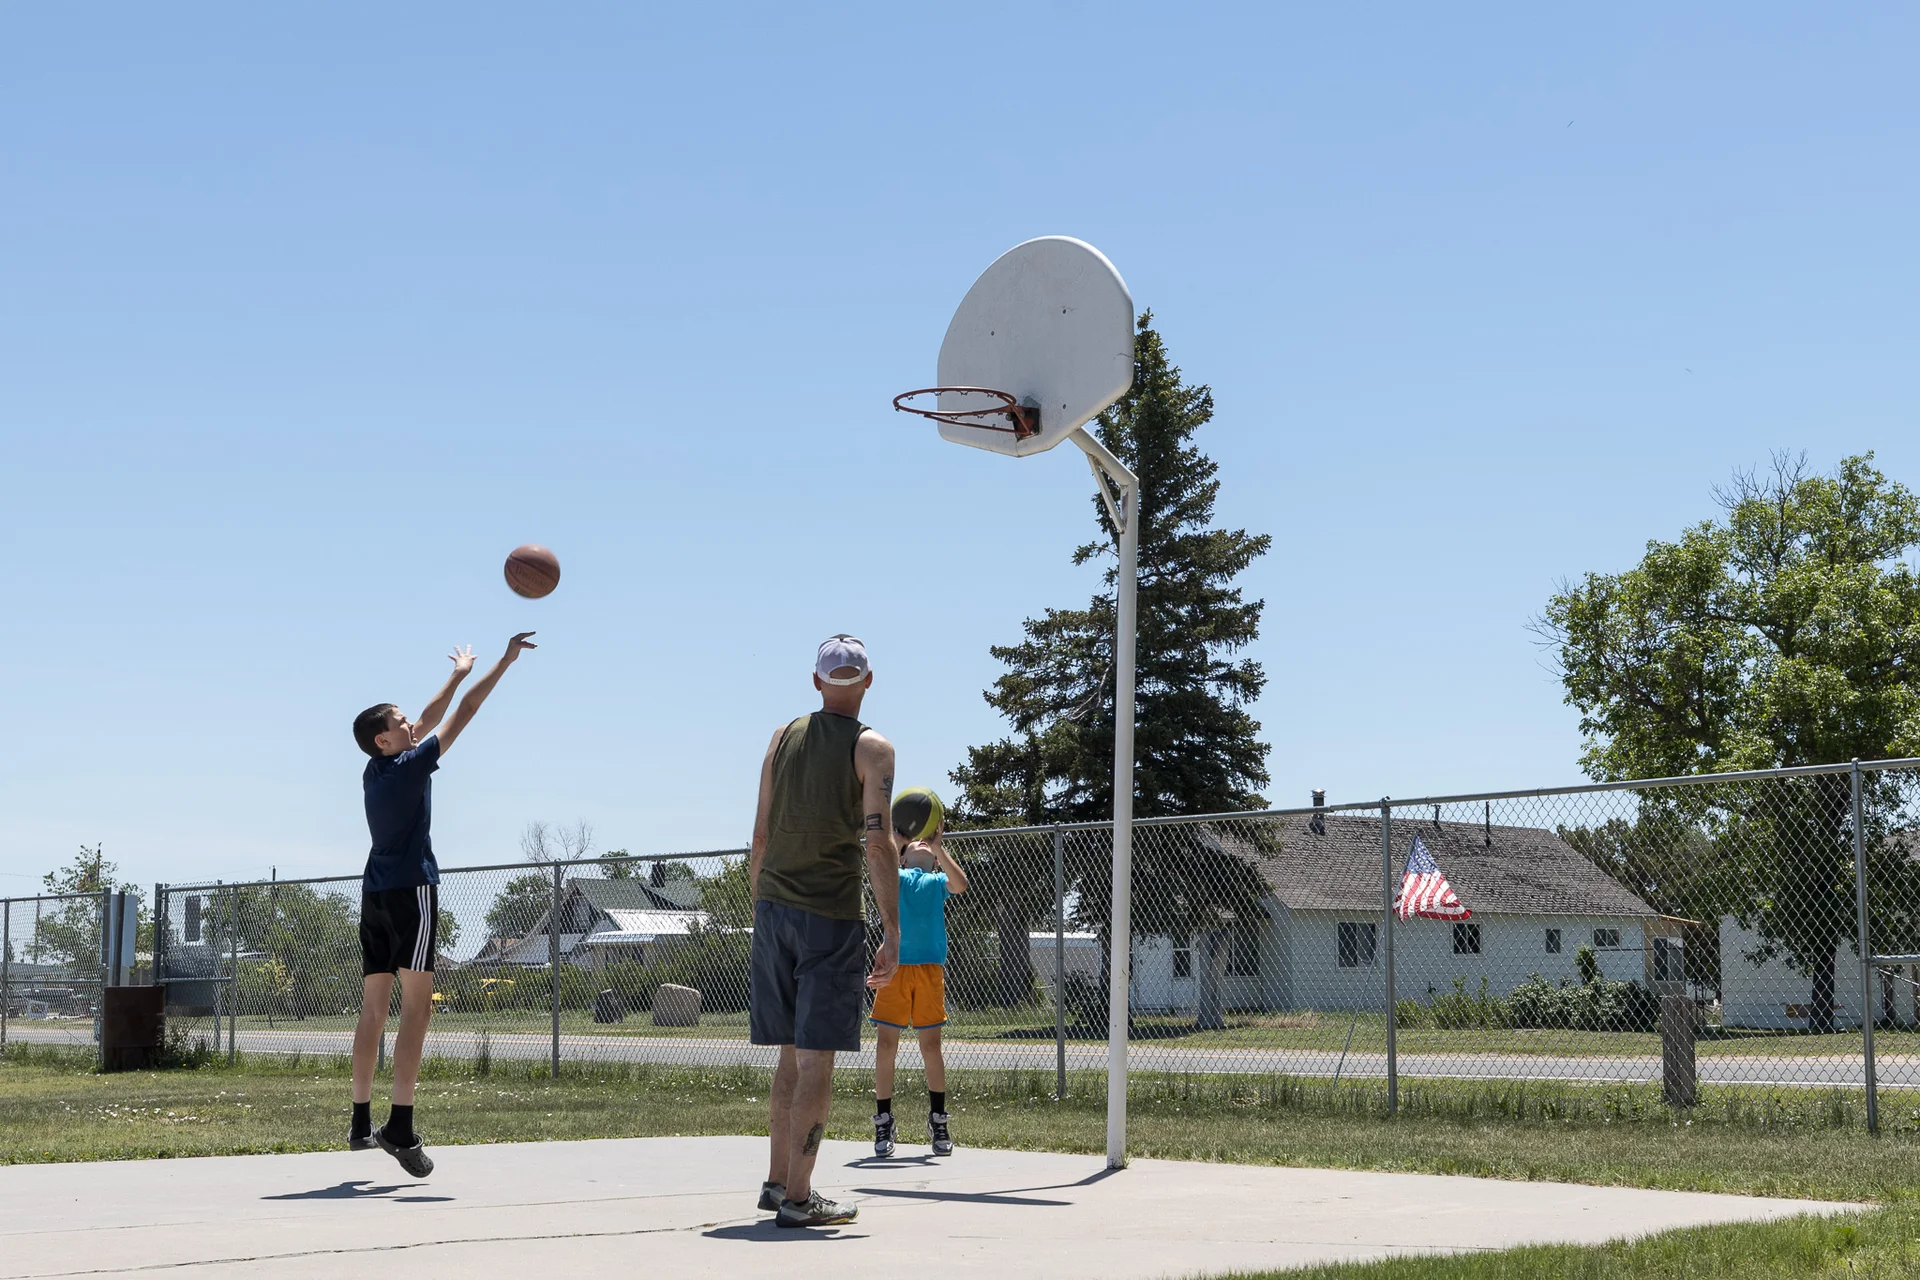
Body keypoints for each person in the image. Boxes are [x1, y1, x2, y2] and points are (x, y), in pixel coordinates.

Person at [347, 632, 537, 1176]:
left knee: (373, 1010)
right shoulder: (408, 766)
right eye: (401, 723)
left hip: (375, 893)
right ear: (386, 740)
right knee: (418, 1009)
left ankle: (361, 1122)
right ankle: (399, 1126)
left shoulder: (376, 767)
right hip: (411, 892)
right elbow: (464, 714)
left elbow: (430, 717)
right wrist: (500, 665)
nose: (412, 725)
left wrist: (456, 672)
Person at [748, 634, 900, 1228]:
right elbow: (879, 841)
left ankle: (777, 1181)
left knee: (789, 1054)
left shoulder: (781, 738)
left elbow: (758, 836)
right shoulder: (873, 749)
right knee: (817, 1062)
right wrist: (891, 928)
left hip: (773, 912)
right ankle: (800, 1200)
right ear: (867, 682)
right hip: (830, 917)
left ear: (815, 683)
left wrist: (764, 906)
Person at [869, 798, 967, 1158]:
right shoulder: (898, 879)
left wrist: (940, 847)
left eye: (927, 842)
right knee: (885, 1046)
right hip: (895, 970)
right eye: (915, 844)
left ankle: (938, 1119)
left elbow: (960, 885)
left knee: (931, 1047)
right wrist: (896, 840)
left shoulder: (938, 880)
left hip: (928, 971)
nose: (921, 842)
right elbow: (883, 866)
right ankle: (883, 1120)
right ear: (904, 859)